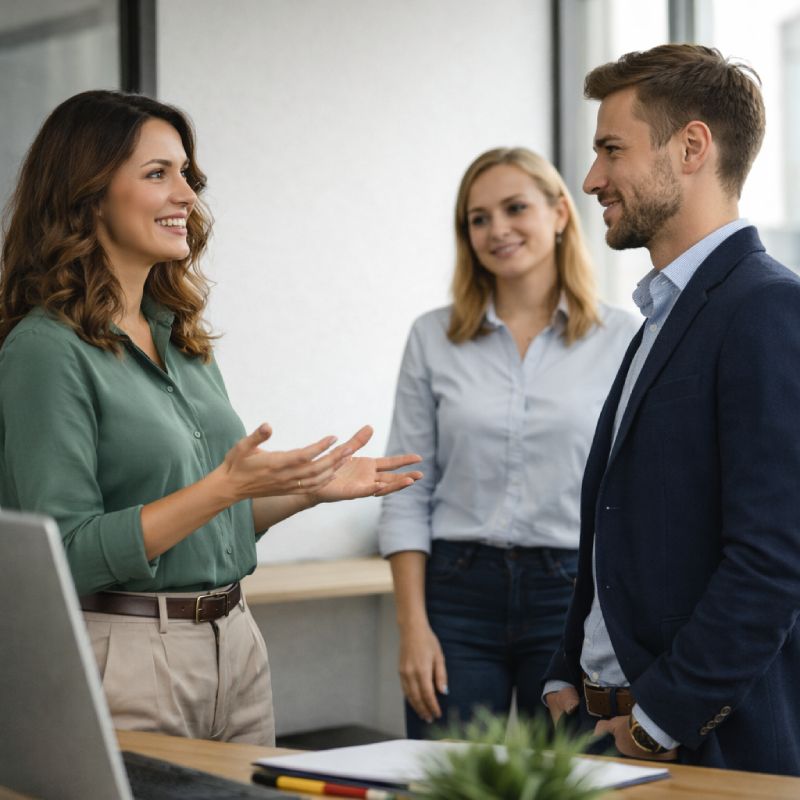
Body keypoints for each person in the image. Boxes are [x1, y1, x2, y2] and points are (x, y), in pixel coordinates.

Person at [0, 89, 422, 747]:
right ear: (87, 194)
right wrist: (223, 487)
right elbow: (66, 553)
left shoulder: (182, 340)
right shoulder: (44, 351)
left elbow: (208, 528)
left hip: (236, 644)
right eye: (157, 174)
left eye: (187, 176)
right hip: (126, 655)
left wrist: (302, 491)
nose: (187, 197)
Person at [542, 44, 800, 776]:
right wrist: (566, 673)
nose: (592, 179)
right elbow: (617, 522)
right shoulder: (660, 314)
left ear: (691, 147)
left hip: (697, 748)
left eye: (611, 150)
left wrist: (657, 723)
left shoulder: (767, 309)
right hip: (598, 736)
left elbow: (772, 564)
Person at [377, 147, 639, 738]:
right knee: (448, 780)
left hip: (573, 596)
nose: (497, 229)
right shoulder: (432, 338)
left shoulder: (621, 336)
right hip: (457, 598)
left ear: (560, 214)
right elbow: (406, 490)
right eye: (478, 218)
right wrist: (412, 628)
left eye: (515, 208)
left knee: (572, 782)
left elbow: (633, 494)